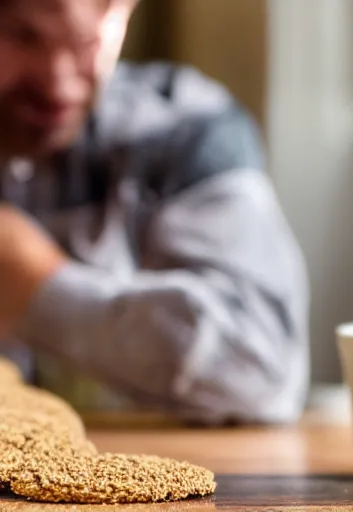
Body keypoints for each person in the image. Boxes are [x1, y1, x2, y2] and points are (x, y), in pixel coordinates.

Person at [0, 0, 309, 424]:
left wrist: (38, 286)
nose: (59, 83)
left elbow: (261, 370)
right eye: (22, 35)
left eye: (89, 40)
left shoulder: (182, 126)